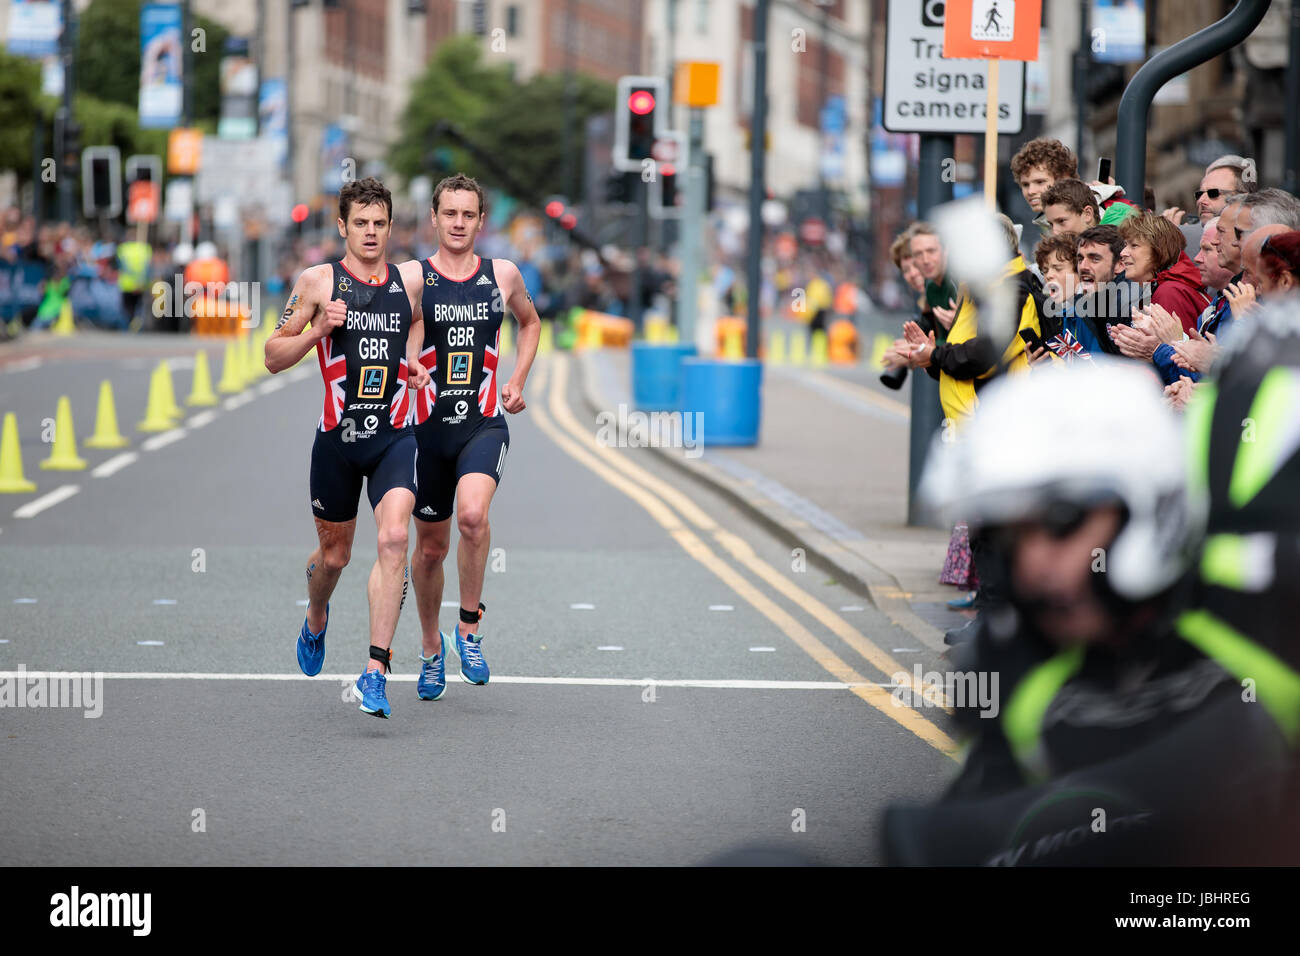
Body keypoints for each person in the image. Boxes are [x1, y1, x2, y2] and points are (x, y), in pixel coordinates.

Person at [883, 360, 1294, 865]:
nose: (1034, 564)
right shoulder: (1011, 663)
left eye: (1061, 522)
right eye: (1012, 534)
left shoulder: (1261, 614)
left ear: (1147, 503)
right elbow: (977, 821)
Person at [264, 177, 430, 719]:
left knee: (395, 537)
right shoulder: (317, 281)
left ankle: (375, 671)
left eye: (380, 223)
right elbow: (272, 354)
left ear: (391, 227)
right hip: (336, 442)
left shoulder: (407, 284)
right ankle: (316, 615)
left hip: (394, 436)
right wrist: (317, 332)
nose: (371, 232)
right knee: (334, 558)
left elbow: (414, 332)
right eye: (360, 223)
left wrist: (413, 365)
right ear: (342, 227)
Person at [405, 173, 541, 698]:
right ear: (434, 219)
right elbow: (400, 331)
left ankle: (468, 628)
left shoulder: (502, 274)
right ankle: (430, 647)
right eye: (450, 214)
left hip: (483, 424)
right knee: (431, 548)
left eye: (469, 214)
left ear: (481, 221)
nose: (459, 223)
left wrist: (517, 379)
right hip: (424, 431)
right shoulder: (413, 277)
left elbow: (530, 323)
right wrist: (409, 361)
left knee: (473, 516)